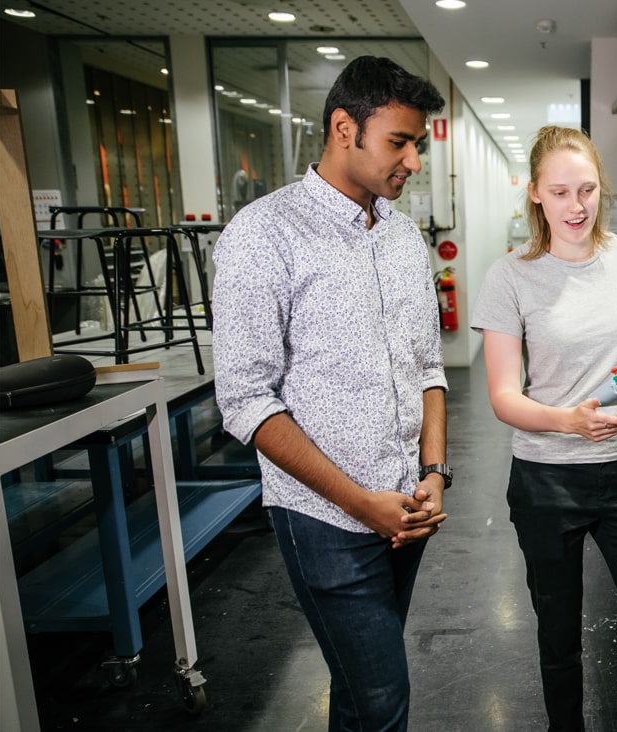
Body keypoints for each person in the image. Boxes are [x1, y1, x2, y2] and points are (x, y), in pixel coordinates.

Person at [211, 56, 450, 732]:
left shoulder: (403, 237)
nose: (412, 160)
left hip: (405, 507)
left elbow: (428, 366)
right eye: (398, 142)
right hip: (327, 519)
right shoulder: (264, 235)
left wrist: (434, 472)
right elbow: (246, 401)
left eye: (417, 144)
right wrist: (360, 503)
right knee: (380, 697)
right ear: (345, 128)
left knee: (358, 688)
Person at [471, 125, 617, 732]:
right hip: (548, 479)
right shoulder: (509, 277)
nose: (576, 207)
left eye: (587, 190)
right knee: (559, 639)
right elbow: (503, 396)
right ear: (535, 195)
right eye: (559, 193)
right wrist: (568, 421)